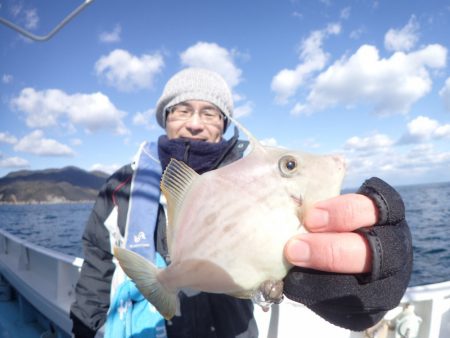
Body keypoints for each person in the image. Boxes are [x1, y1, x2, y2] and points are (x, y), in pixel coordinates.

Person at [70, 67, 413, 337]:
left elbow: (280, 262)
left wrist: (361, 283)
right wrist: (83, 331)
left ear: (223, 122)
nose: (194, 123)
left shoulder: (251, 169)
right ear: (165, 117)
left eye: (209, 112)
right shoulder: (121, 188)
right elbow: (96, 268)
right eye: (182, 110)